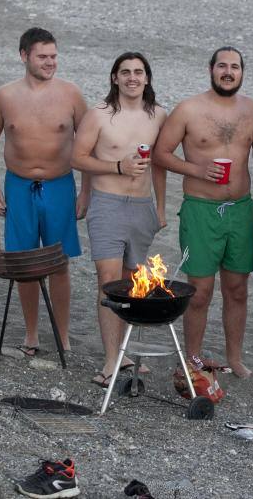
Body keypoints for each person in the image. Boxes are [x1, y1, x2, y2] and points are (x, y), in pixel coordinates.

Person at [153, 46, 253, 378]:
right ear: (210, 69)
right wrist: (197, 170)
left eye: (235, 67)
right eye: (222, 66)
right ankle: (193, 358)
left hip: (241, 211)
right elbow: (160, 153)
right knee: (200, 292)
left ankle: (235, 358)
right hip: (200, 210)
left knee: (237, 289)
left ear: (243, 72)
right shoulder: (188, 109)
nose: (228, 72)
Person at [0, 27, 87, 356]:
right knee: (24, 263)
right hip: (19, 185)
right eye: (43, 56)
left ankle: (63, 334)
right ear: (24, 55)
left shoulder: (71, 94)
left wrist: (86, 192)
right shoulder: (5, 96)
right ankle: (31, 335)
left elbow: (88, 142)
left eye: (54, 56)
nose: (50, 62)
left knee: (59, 263)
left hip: (59, 185)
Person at [72, 52, 168, 387]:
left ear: (147, 78)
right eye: (125, 72)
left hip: (142, 205)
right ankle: (111, 359)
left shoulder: (158, 116)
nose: (132, 78)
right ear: (114, 77)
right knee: (108, 279)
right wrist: (117, 167)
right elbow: (77, 157)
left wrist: (161, 208)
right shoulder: (99, 115)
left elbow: (160, 163)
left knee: (133, 281)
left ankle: (126, 351)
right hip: (107, 203)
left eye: (138, 72)